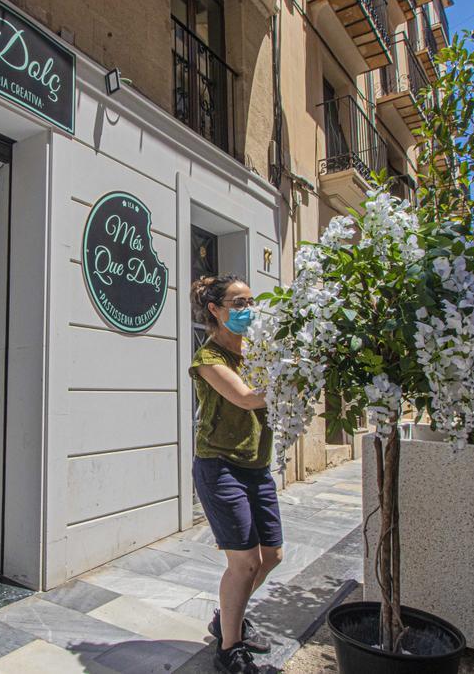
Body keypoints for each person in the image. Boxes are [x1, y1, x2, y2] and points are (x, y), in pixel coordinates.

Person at [189, 274, 282, 674]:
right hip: (219, 466)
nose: (248, 310)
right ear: (215, 309)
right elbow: (246, 398)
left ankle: (227, 614)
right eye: (239, 304)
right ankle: (229, 646)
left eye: (250, 302)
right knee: (243, 562)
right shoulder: (207, 359)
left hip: (257, 467)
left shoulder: (256, 351)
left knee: (272, 557)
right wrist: (294, 377)